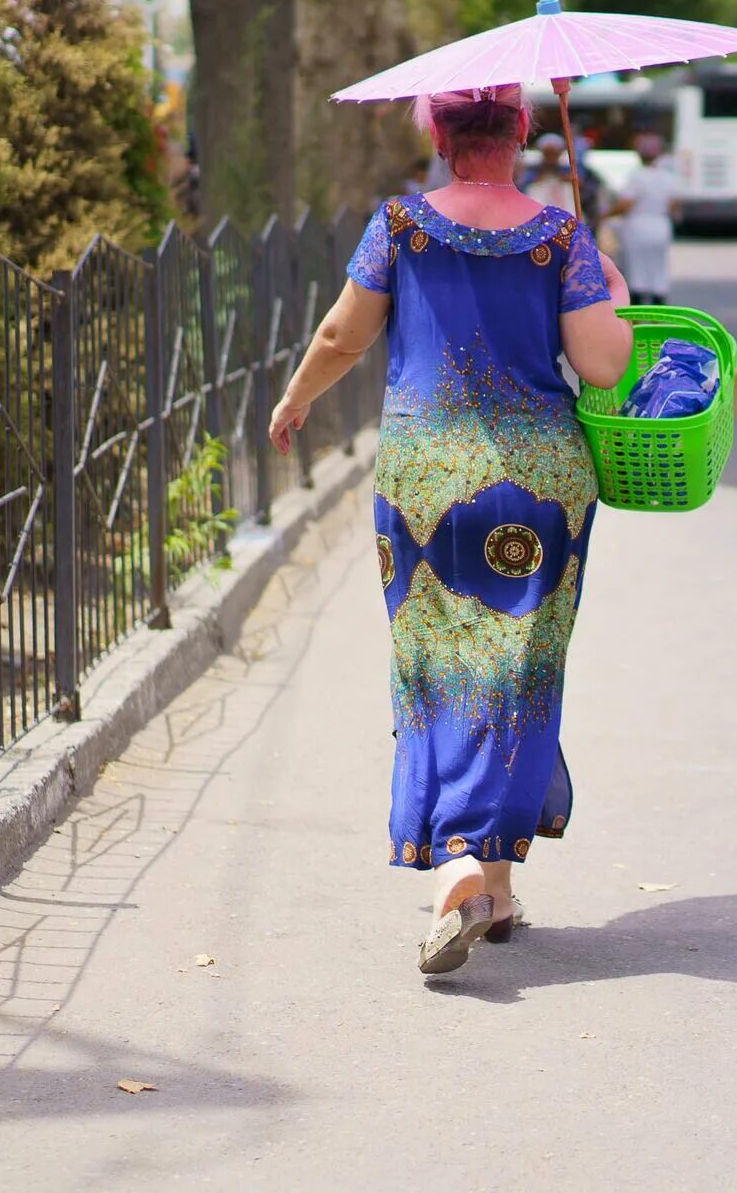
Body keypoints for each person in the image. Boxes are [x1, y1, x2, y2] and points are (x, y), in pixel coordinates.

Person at [266, 83, 633, 976]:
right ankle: (487, 879)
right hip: (538, 488)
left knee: (437, 664)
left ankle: (470, 871)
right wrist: (610, 281)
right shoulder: (559, 234)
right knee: (517, 665)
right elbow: (603, 362)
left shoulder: (401, 225)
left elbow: (343, 332)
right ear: (521, 133)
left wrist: (297, 396)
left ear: (438, 135)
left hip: (426, 483)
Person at [608, 132, 681, 304]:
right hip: (660, 225)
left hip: (638, 225)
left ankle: (638, 317)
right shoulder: (668, 177)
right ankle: (660, 318)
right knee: (658, 269)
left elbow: (626, 203)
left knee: (636, 270)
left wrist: (606, 214)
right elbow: (673, 206)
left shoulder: (637, 176)